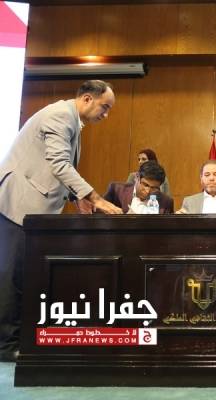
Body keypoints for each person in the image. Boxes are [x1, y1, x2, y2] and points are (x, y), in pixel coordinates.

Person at [0, 80, 122, 362]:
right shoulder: (61, 116)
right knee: (12, 276)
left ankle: (16, 340)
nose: (106, 114)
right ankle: (5, 346)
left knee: (23, 275)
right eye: (105, 107)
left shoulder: (70, 118)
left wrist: (75, 196)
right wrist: (95, 198)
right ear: (87, 99)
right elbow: (58, 163)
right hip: (17, 204)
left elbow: (50, 166)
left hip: (29, 206)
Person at [104, 161, 174, 214]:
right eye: (145, 185)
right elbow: (100, 215)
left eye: (154, 188)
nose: (148, 191)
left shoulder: (166, 202)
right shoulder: (116, 191)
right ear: (137, 177)